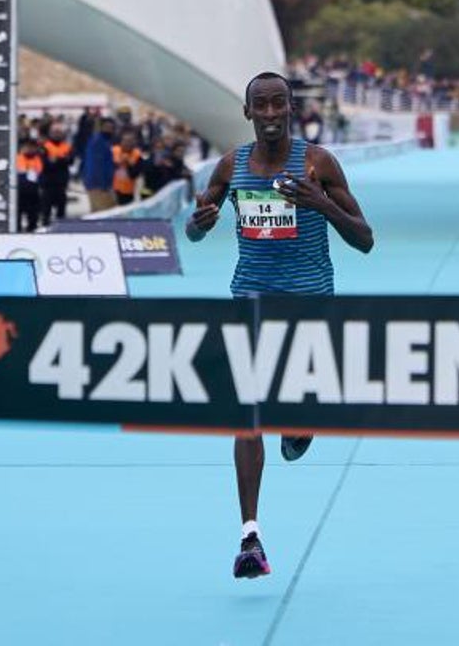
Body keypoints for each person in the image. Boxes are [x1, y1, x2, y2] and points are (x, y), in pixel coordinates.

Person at [185, 72, 374, 581]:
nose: (270, 114)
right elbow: (197, 224)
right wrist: (196, 226)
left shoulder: (318, 164)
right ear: (247, 113)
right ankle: (250, 535)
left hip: (311, 305)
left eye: (278, 105)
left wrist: (322, 204)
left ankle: (300, 419)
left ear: (292, 109)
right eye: (260, 106)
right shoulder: (232, 166)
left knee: (294, 412)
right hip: (249, 299)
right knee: (246, 414)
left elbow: (364, 240)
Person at [40, 123, 73, 226]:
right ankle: (45, 226)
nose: (57, 135)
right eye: (54, 132)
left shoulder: (67, 146)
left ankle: (61, 227)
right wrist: (61, 160)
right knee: (46, 209)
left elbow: (70, 160)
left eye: (59, 132)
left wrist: (56, 161)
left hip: (61, 182)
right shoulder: (45, 146)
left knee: (61, 209)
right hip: (48, 182)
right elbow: (45, 163)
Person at [83, 118, 116, 212]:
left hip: (100, 183)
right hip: (98, 184)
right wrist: (103, 185)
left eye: (111, 127)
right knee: (103, 212)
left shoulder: (105, 141)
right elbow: (95, 165)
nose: (110, 130)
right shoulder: (98, 141)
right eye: (107, 127)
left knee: (98, 210)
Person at [15, 139, 43, 232]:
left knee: (33, 217)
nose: (29, 149)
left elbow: (40, 173)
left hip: (33, 193)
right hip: (20, 192)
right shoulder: (17, 158)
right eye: (27, 147)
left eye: (32, 147)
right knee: (17, 217)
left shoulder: (38, 159)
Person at [111, 129, 144, 206]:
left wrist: (128, 164)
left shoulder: (137, 155)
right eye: (125, 140)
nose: (127, 143)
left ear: (134, 142)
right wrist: (118, 164)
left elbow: (135, 174)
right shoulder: (114, 151)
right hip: (112, 189)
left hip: (127, 192)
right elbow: (107, 168)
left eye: (130, 141)